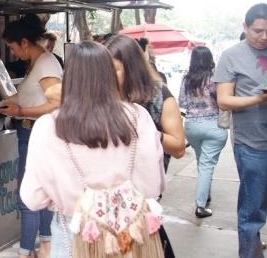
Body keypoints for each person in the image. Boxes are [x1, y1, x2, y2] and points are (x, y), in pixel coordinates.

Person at [19, 41, 165, 257]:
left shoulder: (47, 126)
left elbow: (33, 198)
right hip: (130, 236)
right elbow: (153, 187)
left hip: (73, 233)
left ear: (69, 78)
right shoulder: (138, 117)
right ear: (109, 74)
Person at [0, 15, 62, 258]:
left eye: (13, 47)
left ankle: (26, 252)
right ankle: (46, 245)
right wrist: (7, 104)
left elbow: (56, 103)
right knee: (43, 193)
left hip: (37, 135)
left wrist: (21, 111)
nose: (13, 53)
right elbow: (31, 96)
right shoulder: (38, 63)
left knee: (28, 195)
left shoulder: (46, 64)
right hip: (32, 133)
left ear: (24, 42)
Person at [213, 3, 267, 258]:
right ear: (245, 28)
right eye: (258, 31)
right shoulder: (231, 56)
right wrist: (260, 99)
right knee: (252, 210)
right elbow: (224, 100)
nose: (264, 36)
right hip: (252, 144)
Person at [106, 35, 186, 166]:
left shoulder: (159, 95)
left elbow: (179, 149)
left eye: (114, 69)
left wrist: (145, 131)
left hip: (146, 177)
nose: (108, 75)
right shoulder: (102, 94)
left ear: (132, 68)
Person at [179, 46, 227, 218]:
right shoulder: (215, 79)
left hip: (192, 126)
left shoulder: (186, 79)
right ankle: (200, 205)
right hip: (214, 125)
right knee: (207, 165)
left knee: (202, 162)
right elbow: (223, 101)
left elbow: (182, 102)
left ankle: (205, 195)